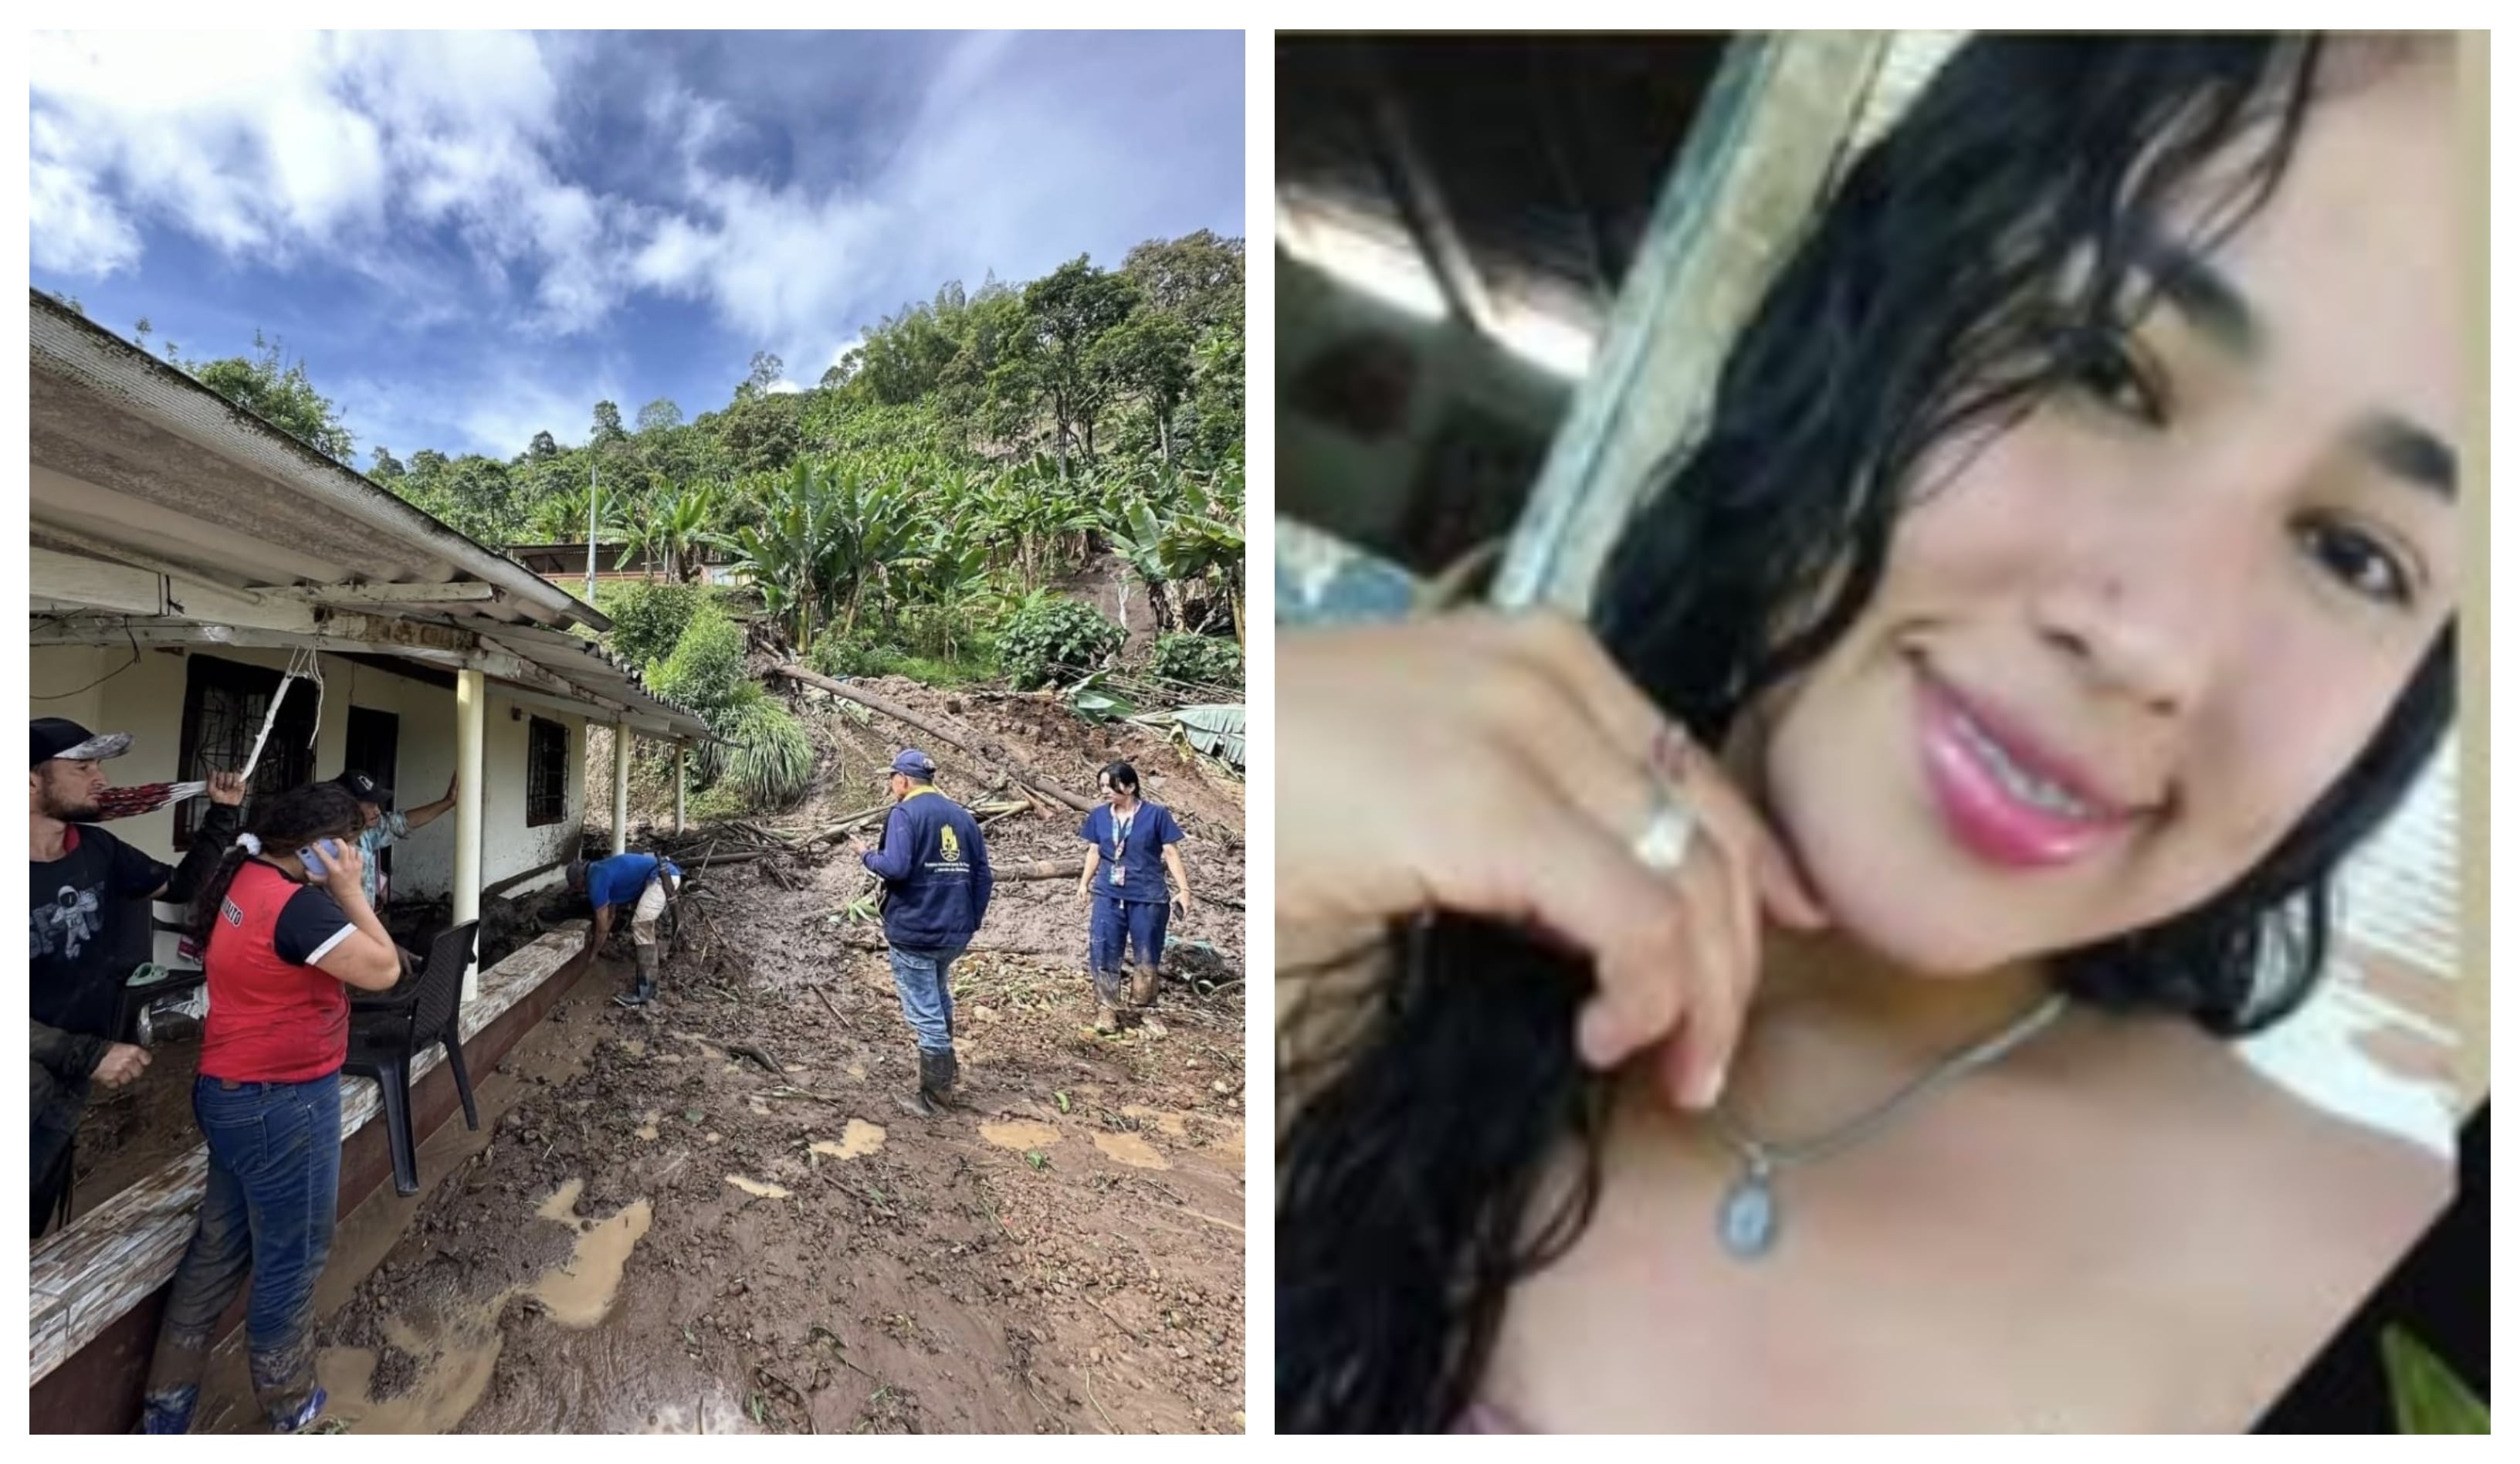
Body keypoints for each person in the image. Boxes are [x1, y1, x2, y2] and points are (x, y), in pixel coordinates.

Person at [1277, 36, 2460, 1433]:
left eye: (2352, 555)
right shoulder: (1318, 899)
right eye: (2103, 369)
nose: (2151, 638)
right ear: (1879, 308)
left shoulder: (2405, 1325)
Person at [138, 782, 402, 1433]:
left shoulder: (247, 876)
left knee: (221, 1245)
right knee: (294, 1254)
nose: (358, 851)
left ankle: (166, 1406)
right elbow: (384, 969)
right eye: (352, 841)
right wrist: (349, 890)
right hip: (281, 1103)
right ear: (319, 849)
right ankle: (290, 1404)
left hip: (230, 1091)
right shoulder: (299, 911)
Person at [29, 718, 246, 1238]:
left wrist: (222, 817)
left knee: (34, 1205)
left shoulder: (98, 851)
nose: (99, 778)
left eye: (100, 765)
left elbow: (182, 887)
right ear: (28, 781)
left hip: (70, 1075)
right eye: (83, 767)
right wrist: (89, 1053)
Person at [856, 750, 992, 1115]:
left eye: (892, 779)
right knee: (940, 995)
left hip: (916, 929)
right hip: (954, 931)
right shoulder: (962, 816)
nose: (890, 785)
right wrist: (972, 920)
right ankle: (949, 1070)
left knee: (926, 1011)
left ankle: (935, 1098)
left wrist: (867, 855)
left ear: (903, 780)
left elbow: (896, 868)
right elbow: (983, 876)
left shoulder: (905, 814)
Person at [1075, 761, 1195, 1033]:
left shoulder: (1156, 815)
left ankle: (1145, 1008)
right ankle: (1107, 1009)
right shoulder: (1099, 816)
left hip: (1148, 896)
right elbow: (1094, 852)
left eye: (1111, 786)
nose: (1106, 791)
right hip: (1108, 893)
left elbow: (1171, 852)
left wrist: (1185, 890)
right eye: (1102, 786)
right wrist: (1084, 884)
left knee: (1147, 951)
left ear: (1130, 786)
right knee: (1104, 948)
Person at [328, 767, 456, 921]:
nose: (377, 811)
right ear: (347, 806)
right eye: (370, 805)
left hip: (364, 924)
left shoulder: (366, 832)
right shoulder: (327, 846)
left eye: (377, 804)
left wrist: (448, 802)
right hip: (340, 928)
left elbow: (400, 823)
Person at [563, 848, 685, 1008]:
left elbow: (601, 927)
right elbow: (610, 916)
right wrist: (604, 935)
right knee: (643, 923)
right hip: (663, 872)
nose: (580, 891)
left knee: (641, 924)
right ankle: (648, 985)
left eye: (577, 888)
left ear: (580, 881)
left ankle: (646, 992)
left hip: (662, 877)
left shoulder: (595, 881)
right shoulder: (599, 869)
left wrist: (593, 953)